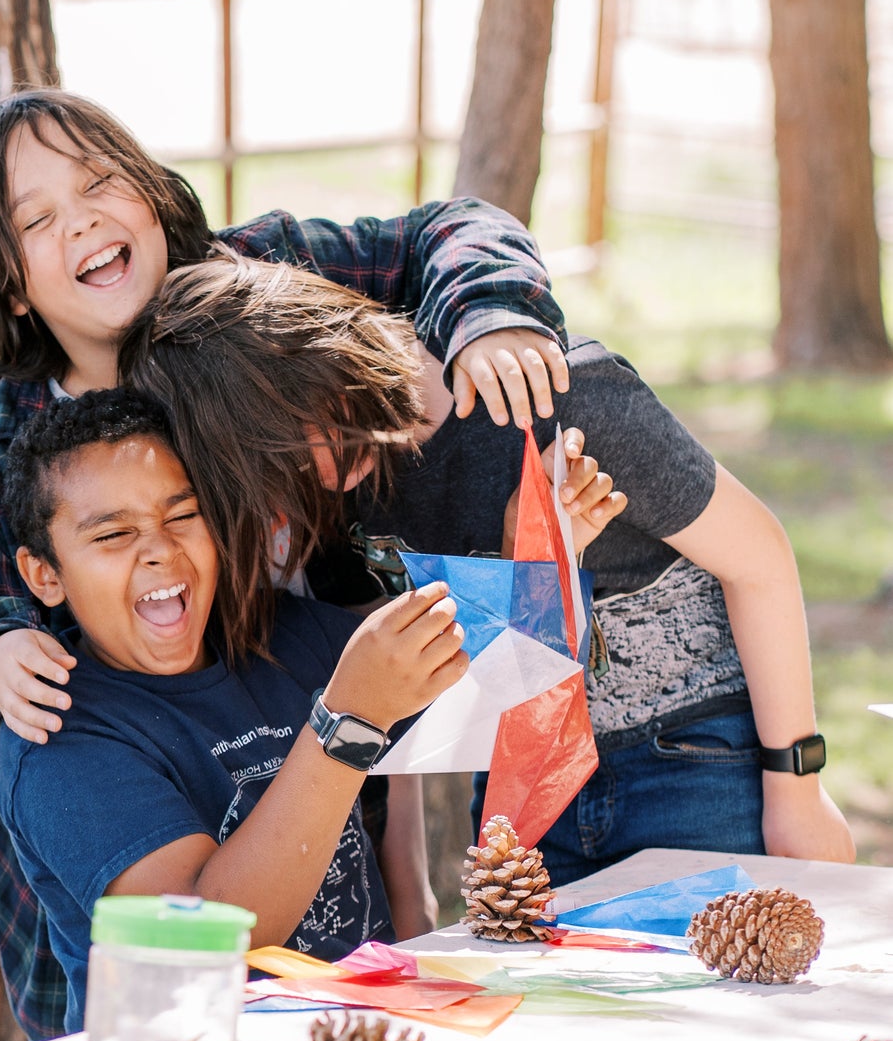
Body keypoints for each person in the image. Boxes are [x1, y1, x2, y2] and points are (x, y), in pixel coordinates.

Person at [0, 87, 574, 1040]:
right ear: (9, 284)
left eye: (100, 182)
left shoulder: (258, 284)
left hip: (339, 814)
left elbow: (449, 228)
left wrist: (490, 313)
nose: (84, 218)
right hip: (146, 892)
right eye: (38, 219)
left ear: (147, 190)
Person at [120, 256, 856, 885]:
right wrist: (520, 569)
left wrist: (795, 787)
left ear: (313, 352)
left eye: (298, 437)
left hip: (690, 759)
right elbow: (412, 679)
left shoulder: (561, 395)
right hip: (523, 788)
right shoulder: (336, 487)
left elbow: (760, 558)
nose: (311, 473)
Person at [0, 388, 469, 1032]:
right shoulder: (58, 732)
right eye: (112, 533)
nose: (159, 549)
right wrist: (348, 722)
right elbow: (212, 931)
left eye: (182, 515)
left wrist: (537, 545)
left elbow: (481, 687)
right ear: (44, 573)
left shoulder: (286, 638)